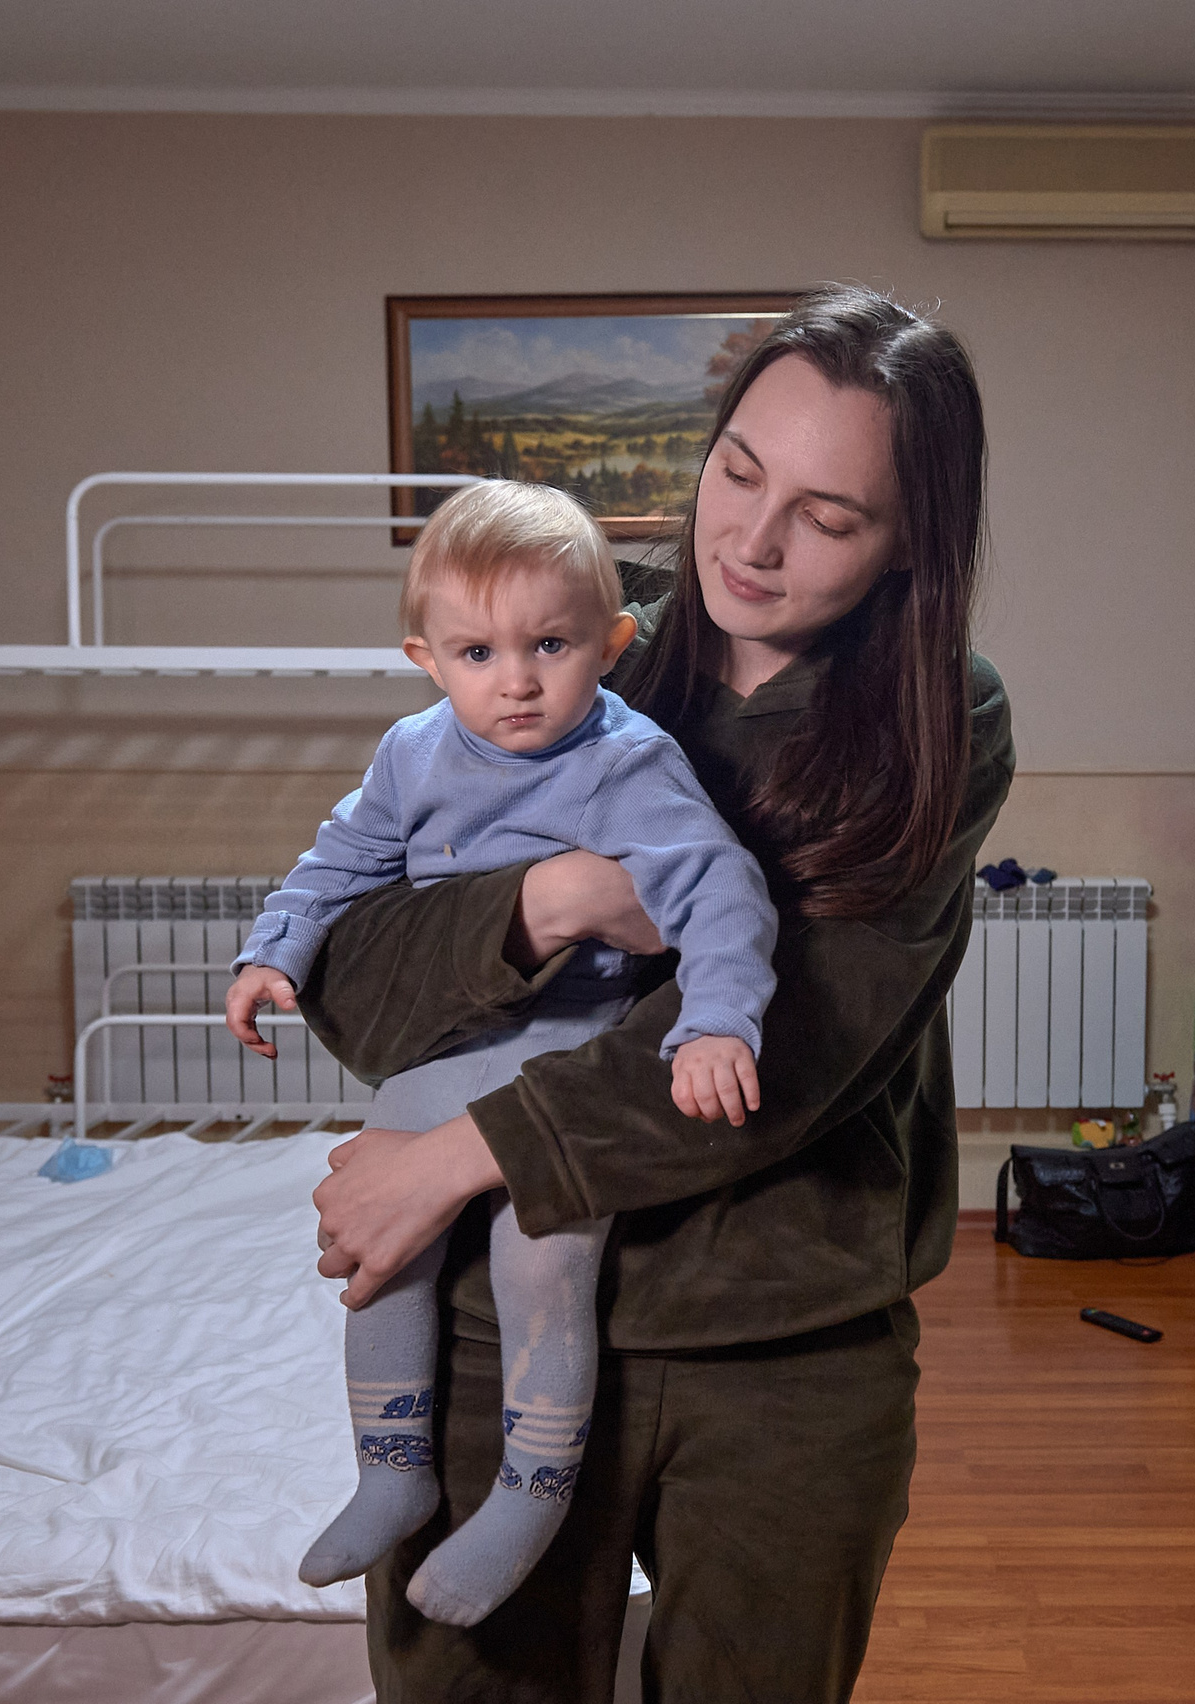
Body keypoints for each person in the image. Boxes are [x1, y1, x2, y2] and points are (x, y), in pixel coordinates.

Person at [293, 285, 1014, 1702]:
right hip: (499, 1335)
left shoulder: (943, 715)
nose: (749, 540)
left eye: (829, 514)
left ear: (909, 537)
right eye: (739, 472)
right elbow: (358, 998)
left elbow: (796, 1048)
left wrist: (451, 1154)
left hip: (786, 1344)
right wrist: (548, 900)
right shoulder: (557, 650)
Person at [225, 479, 778, 1628]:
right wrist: (271, 952)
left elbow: (719, 890)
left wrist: (717, 1020)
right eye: (478, 651)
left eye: (551, 645)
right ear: (426, 657)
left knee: (543, 1260)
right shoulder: (412, 753)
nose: (516, 680)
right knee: (377, 1231)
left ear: (612, 645)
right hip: (449, 1042)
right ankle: (392, 1469)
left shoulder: (629, 762)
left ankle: (531, 1494)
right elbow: (341, 862)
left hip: (570, 1045)